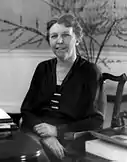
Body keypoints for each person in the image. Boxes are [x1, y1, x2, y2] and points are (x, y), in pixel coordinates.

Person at [20, 13, 104, 160]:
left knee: (37, 157)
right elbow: (27, 110)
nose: (59, 41)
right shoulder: (43, 68)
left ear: (77, 39)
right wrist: (45, 136)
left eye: (66, 35)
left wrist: (57, 131)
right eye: (53, 36)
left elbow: (96, 120)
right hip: (38, 132)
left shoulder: (90, 72)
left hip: (71, 137)